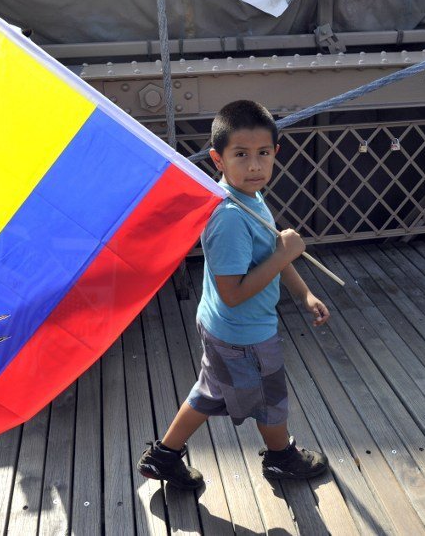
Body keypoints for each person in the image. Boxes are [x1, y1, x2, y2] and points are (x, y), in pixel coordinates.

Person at [136, 100, 331, 490]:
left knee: (209, 392)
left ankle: (164, 456)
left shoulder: (250, 197)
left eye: (263, 154)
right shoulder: (228, 216)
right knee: (270, 399)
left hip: (222, 329)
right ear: (218, 159)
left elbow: (271, 253)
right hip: (245, 335)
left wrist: (304, 293)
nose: (254, 166)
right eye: (241, 155)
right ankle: (281, 459)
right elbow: (233, 293)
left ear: (276, 153)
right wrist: (284, 254)